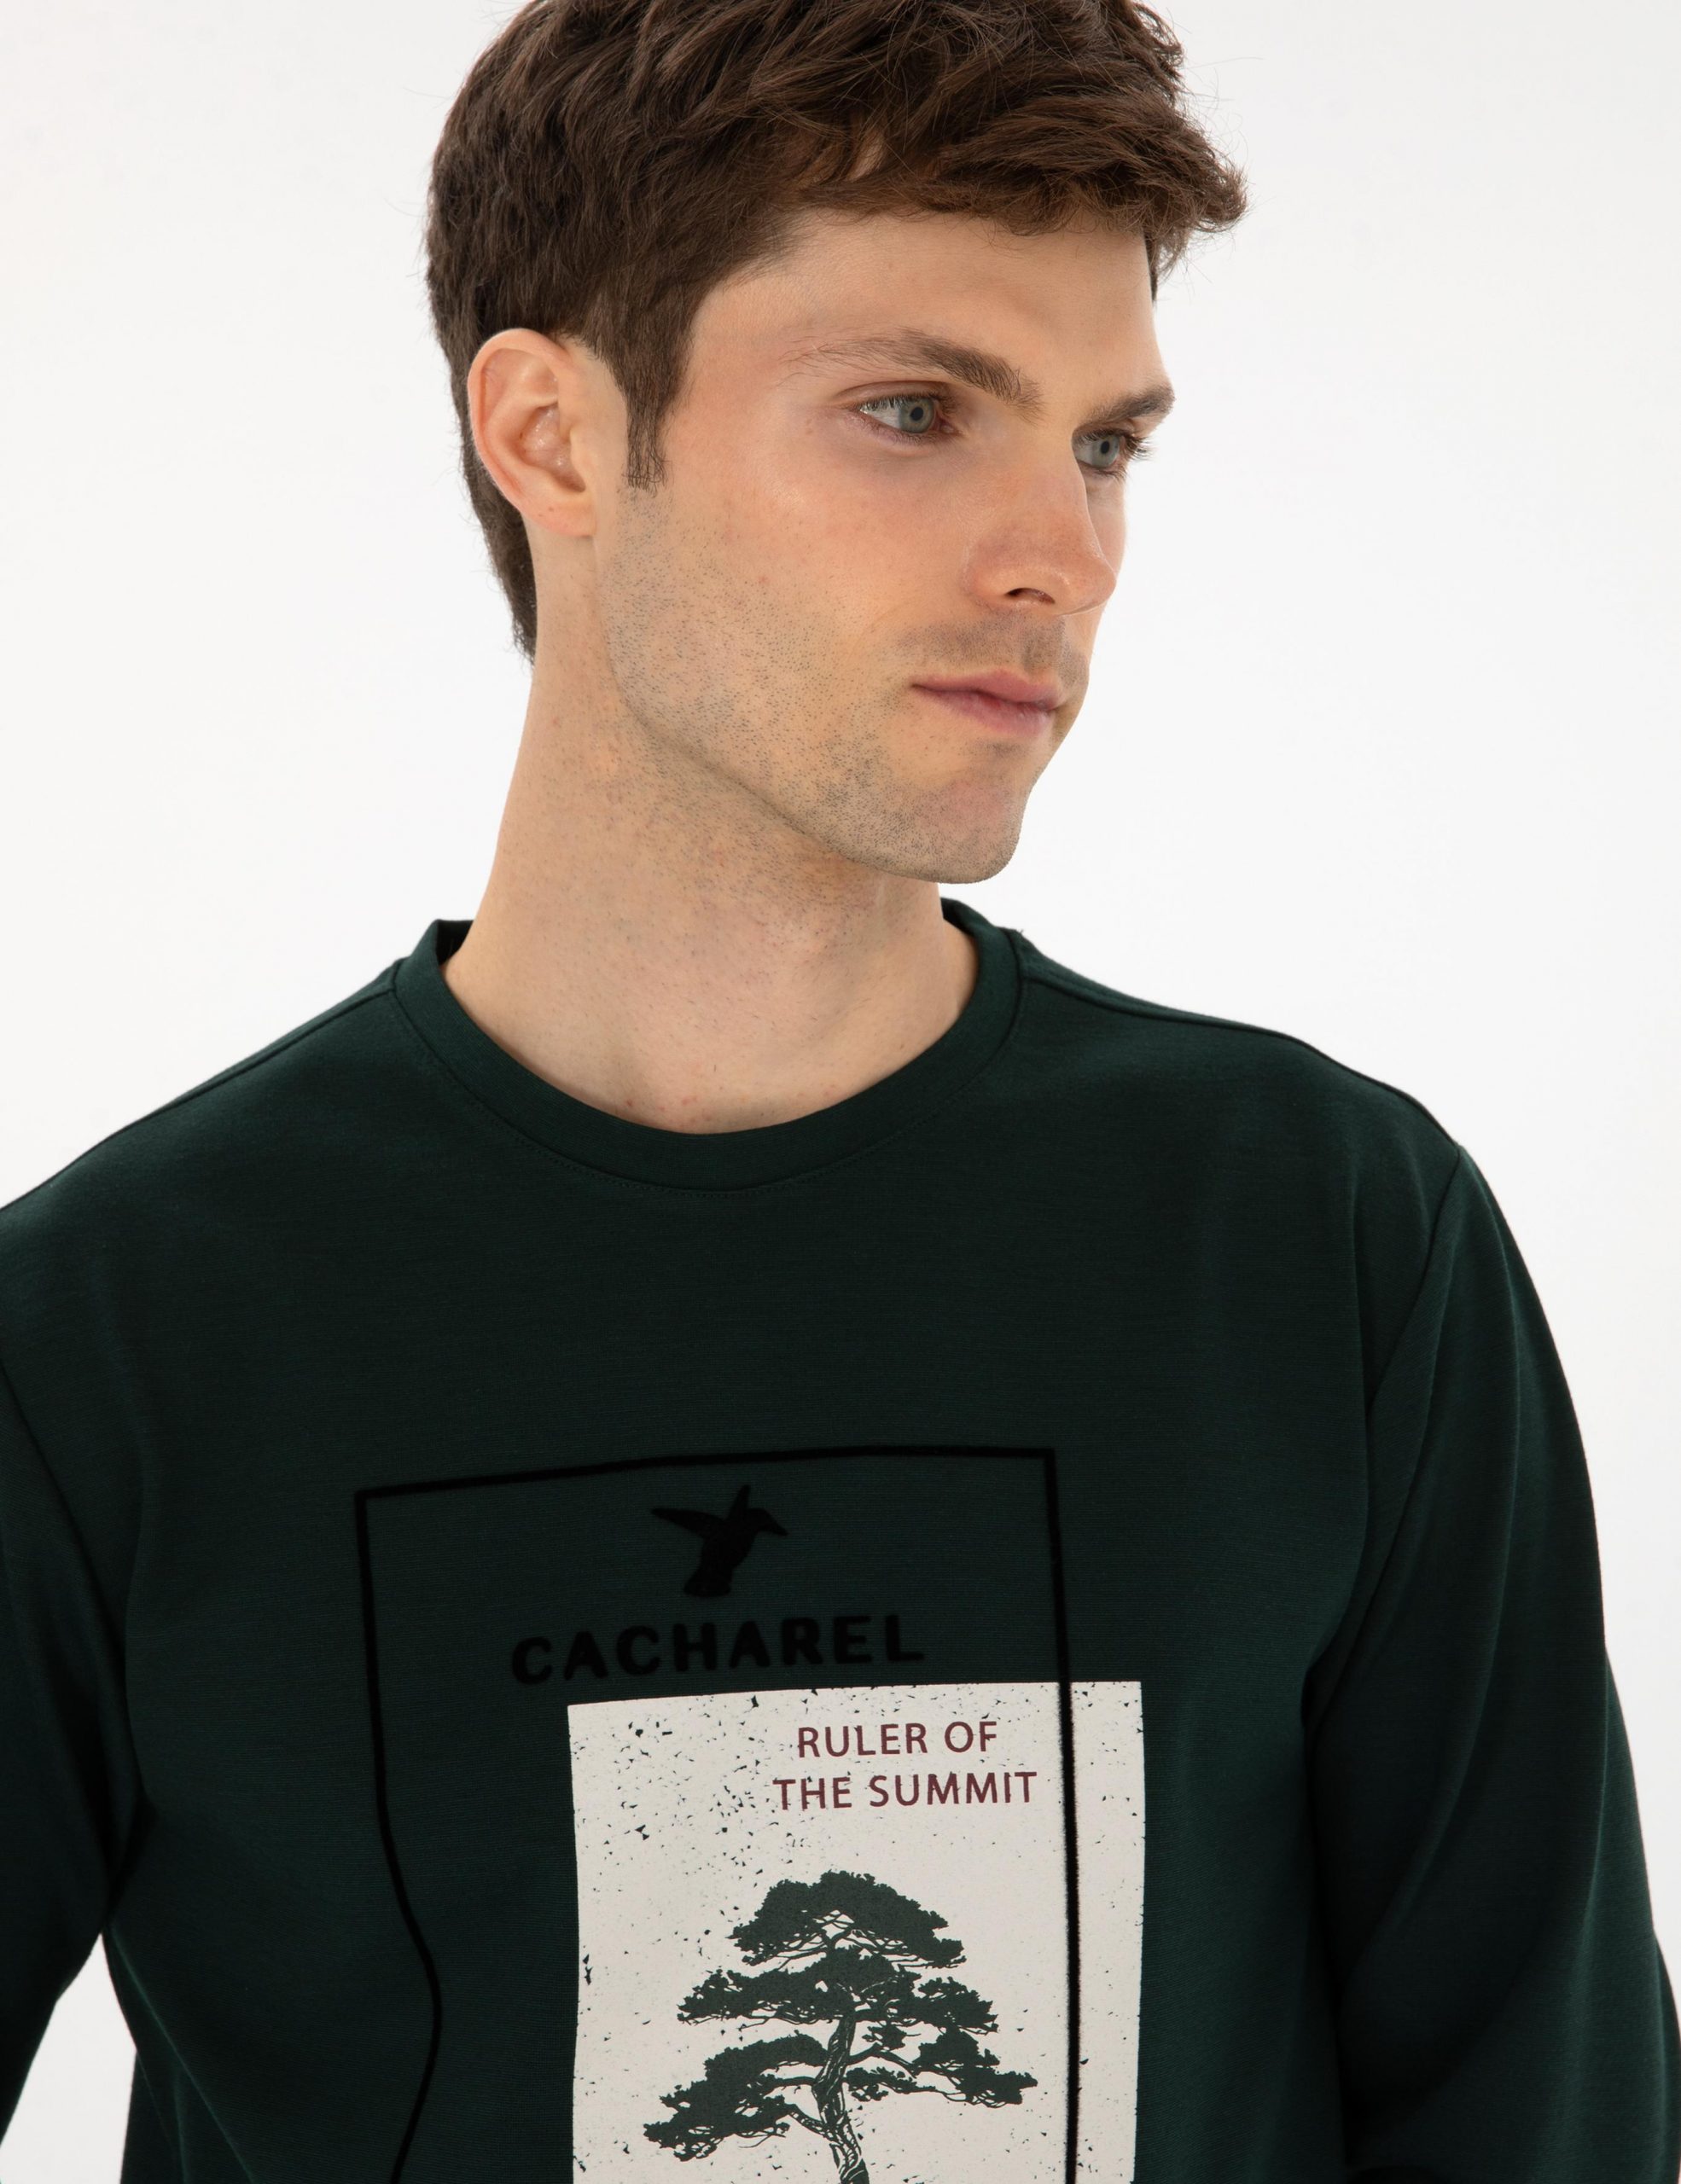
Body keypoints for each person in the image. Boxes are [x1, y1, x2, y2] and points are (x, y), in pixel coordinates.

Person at [2, 0, 1676, 2175]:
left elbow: (1548, 2123)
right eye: (912, 411)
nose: (1061, 551)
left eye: (1104, 443)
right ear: (555, 435)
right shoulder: (113, 1335)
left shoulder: (1321, 1240)